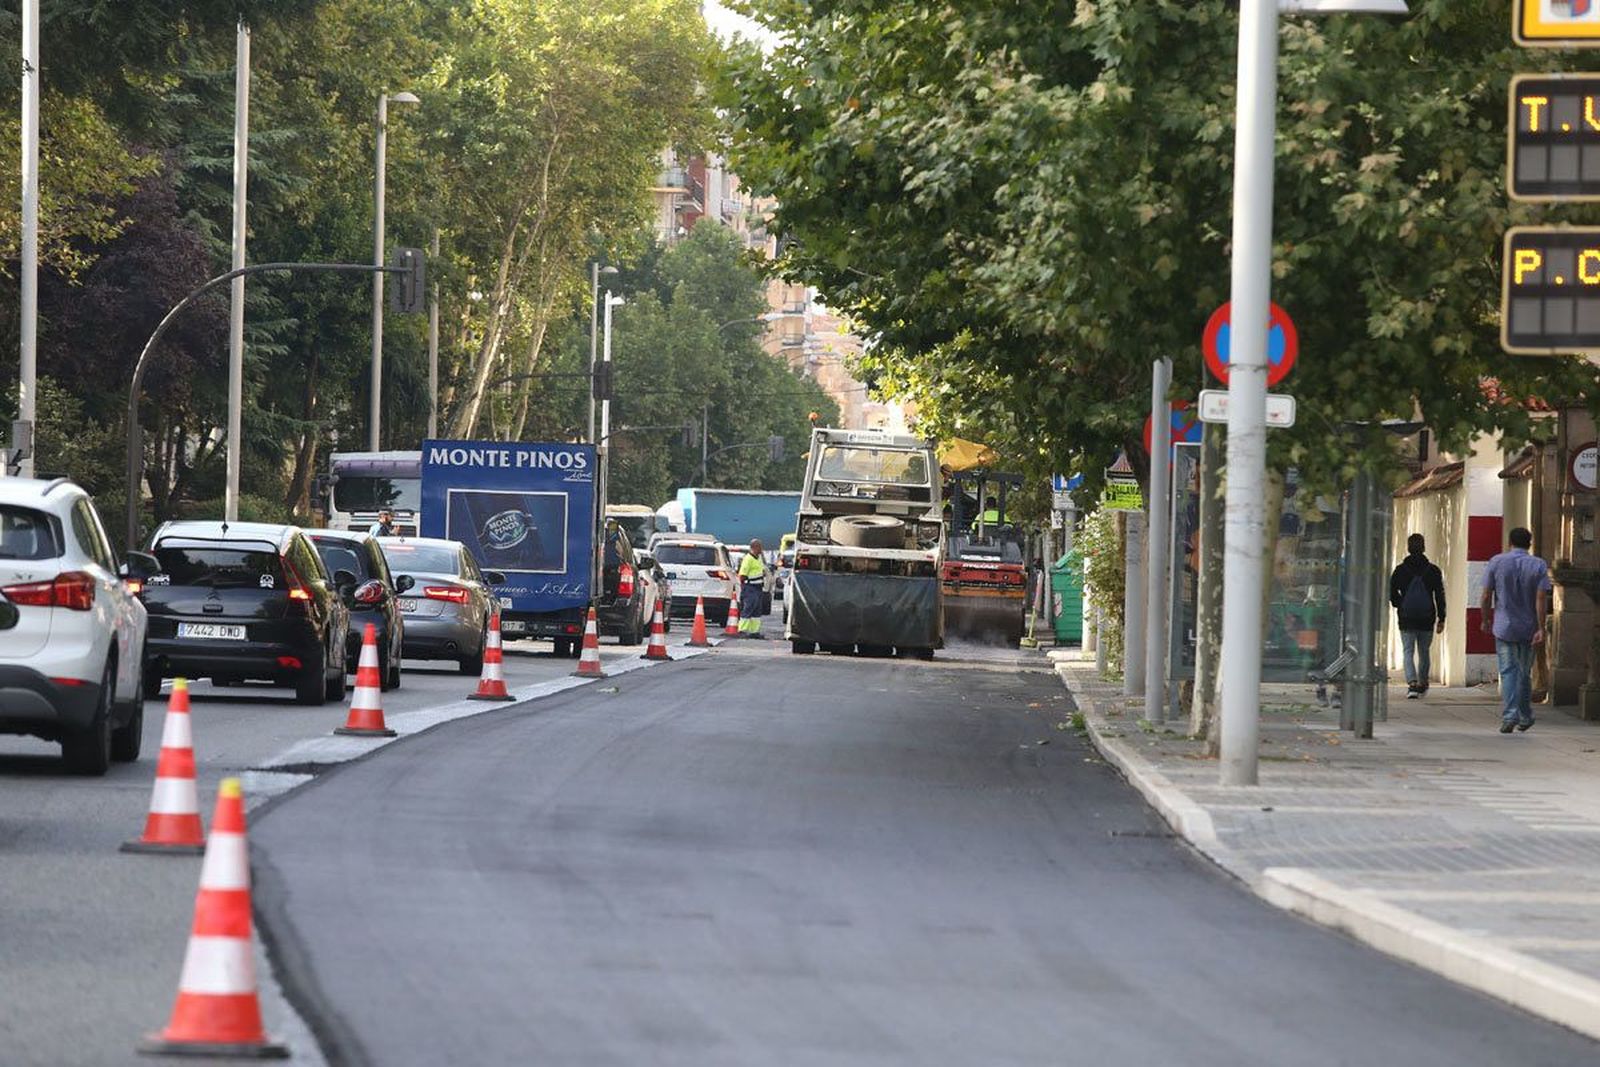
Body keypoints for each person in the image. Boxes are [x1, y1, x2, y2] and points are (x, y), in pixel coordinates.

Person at [1480, 527, 1552, 733]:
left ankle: (1511, 714)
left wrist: (1485, 619)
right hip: (1528, 628)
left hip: (1504, 626)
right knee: (1524, 672)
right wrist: (1540, 627)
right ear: (1529, 544)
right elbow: (1540, 598)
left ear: (1509, 542)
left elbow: (1486, 595)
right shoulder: (1538, 565)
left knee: (1508, 670)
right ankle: (1525, 714)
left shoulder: (1496, 562)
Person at [1388, 533, 1446, 698]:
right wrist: (1442, 618)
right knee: (1424, 651)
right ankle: (1422, 682)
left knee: (1407, 650)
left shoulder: (1400, 570)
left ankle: (1412, 683)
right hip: (1427, 618)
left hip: (1406, 618)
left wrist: (1400, 605)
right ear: (1424, 547)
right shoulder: (1433, 570)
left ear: (1408, 547)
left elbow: (1392, 592)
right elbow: (1439, 596)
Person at [737, 536, 767, 638]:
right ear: (754, 547)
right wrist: (745, 587)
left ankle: (754, 632)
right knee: (748, 608)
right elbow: (742, 575)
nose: (761, 549)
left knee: (757, 610)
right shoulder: (748, 559)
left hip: (758, 588)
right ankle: (743, 630)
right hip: (750, 588)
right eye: (760, 547)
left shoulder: (758, 558)